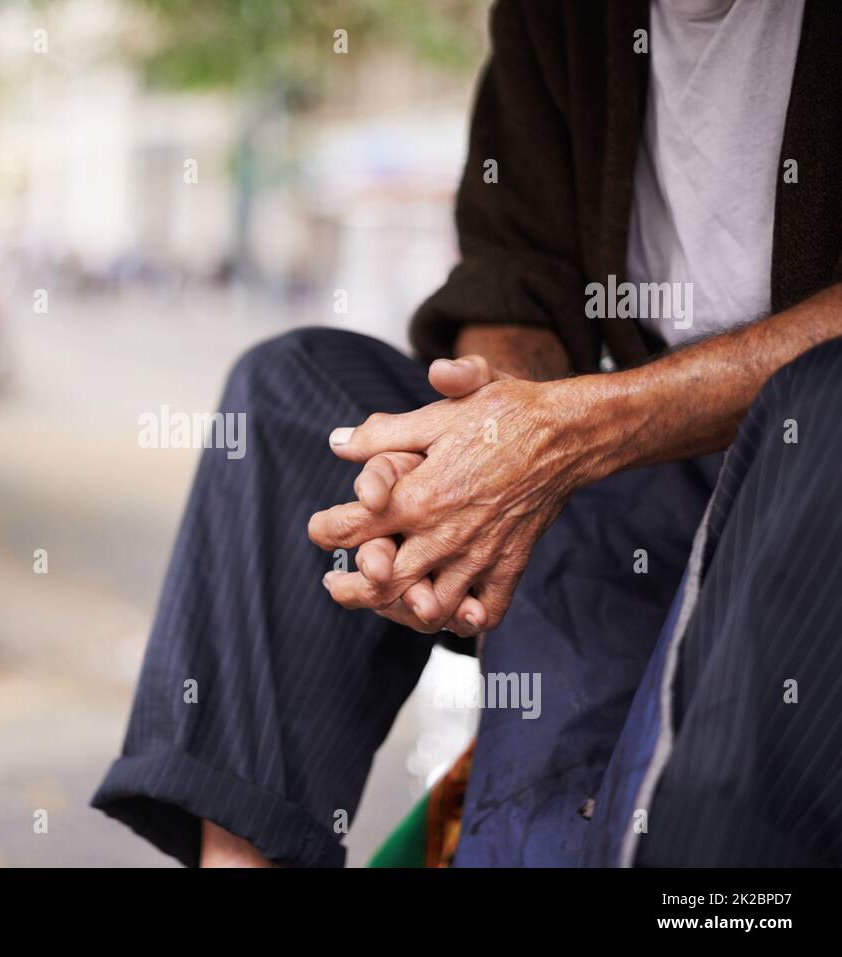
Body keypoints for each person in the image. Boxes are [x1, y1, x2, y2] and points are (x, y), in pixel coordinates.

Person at [93, 0, 842, 867]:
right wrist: (476, 443)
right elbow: (512, 275)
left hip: (798, 473)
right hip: (627, 468)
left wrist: (567, 433)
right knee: (291, 392)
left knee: (822, 404)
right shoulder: (562, 19)